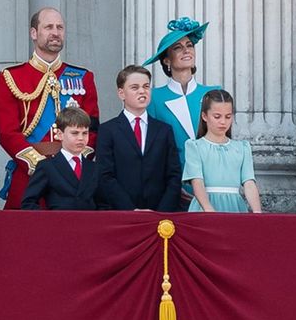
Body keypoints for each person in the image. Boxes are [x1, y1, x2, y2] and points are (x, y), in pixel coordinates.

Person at [0, 7, 100, 209]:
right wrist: (42, 166)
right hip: (30, 174)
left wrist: (71, 163)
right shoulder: (10, 77)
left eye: (60, 27)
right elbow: (7, 133)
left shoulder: (83, 78)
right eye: (48, 27)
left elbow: (93, 129)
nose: (55, 32)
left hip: (73, 179)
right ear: (34, 33)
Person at [143, 17, 219, 204]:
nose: (186, 50)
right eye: (178, 47)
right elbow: (153, 149)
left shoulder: (213, 93)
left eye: (190, 45)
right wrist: (172, 185)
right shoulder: (154, 98)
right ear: (167, 60)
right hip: (172, 188)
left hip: (212, 185)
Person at [97, 65, 181, 211]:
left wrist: (161, 212)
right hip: (121, 213)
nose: (142, 91)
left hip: (159, 215)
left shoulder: (164, 130)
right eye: (135, 87)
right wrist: (130, 210)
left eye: (146, 86)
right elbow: (105, 176)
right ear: (121, 93)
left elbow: (173, 175)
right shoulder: (107, 130)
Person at [183, 89, 262, 213]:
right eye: (217, 116)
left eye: (228, 117)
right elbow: (197, 182)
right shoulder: (195, 146)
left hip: (235, 208)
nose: (223, 122)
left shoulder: (242, 147)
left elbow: (249, 183)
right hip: (204, 208)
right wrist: (209, 210)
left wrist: (258, 212)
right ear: (204, 116)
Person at [21, 106, 108, 210]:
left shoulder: (94, 168)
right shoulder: (47, 167)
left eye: (85, 133)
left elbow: (104, 205)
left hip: (89, 224)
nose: (81, 138)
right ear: (60, 134)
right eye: (75, 133)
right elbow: (28, 203)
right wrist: (48, 221)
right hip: (58, 224)